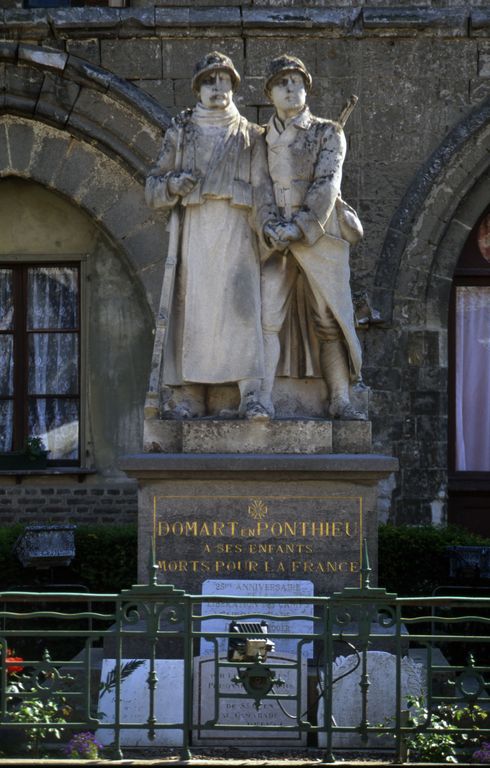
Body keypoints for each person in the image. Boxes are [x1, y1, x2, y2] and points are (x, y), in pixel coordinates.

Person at [145, 52, 276, 420]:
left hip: (238, 228)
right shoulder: (181, 133)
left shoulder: (251, 135)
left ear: (234, 87)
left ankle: (251, 392)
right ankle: (190, 393)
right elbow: (152, 187)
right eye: (209, 81)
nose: (217, 88)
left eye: (224, 81)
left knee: (242, 304)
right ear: (197, 88)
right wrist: (173, 183)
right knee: (195, 311)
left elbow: (264, 189)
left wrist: (269, 228)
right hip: (196, 229)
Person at [260, 55, 366, 420]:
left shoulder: (328, 132)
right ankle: (262, 399)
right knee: (266, 316)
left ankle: (340, 398)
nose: (291, 88)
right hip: (275, 241)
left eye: (297, 82)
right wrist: (269, 225)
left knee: (328, 318)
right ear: (269, 92)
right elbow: (259, 188)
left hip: (318, 236)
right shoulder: (261, 139)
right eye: (282, 82)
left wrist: (299, 226)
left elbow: (326, 185)